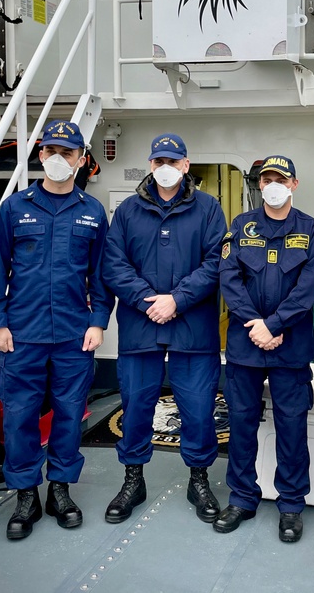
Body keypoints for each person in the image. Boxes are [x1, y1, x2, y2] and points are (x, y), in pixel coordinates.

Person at [0, 119, 114, 540]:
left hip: (74, 335)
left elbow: (101, 274)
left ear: (80, 160)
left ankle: (60, 489)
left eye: (67, 153)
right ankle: (24, 495)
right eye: (51, 152)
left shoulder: (92, 212)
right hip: (22, 335)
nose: (58, 159)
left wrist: (98, 322)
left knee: (71, 415)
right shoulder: (15, 208)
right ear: (40, 156)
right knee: (19, 416)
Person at [102, 133, 227, 526]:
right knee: (136, 405)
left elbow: (215, 263)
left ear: (186, 165)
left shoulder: (208, 209)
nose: (166, 168)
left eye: (174, 161)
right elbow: (113, 263)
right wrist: (146, 300)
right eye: (159, 162)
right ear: (150, 165)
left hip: (193, 327)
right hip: (141, 327)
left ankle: (199, 480)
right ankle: (133, 480)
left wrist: (177, 299)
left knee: (198, 408)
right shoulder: (127, 212)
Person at [214, 155, 314, 542]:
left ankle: (292, 505)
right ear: (259, 185)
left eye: (281, 179)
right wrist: (257, 325)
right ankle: (243, 497)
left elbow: (308, 289)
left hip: (290, 345)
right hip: (247, 344)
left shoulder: (313, 231)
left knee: (292, 426)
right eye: (266, 179)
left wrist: (274, 325)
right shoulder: (240, 226)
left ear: (294, 184)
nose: (273, 185)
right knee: (242, 423)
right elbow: (230, 279)